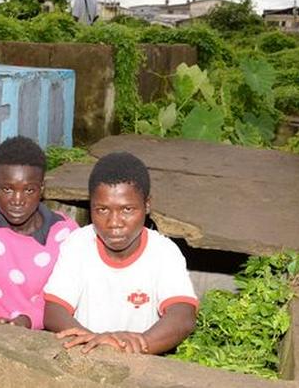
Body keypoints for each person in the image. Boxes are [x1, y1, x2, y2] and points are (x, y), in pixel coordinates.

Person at [43, 152, 197, 354]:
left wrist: (139, 344)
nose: (114, 223)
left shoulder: (164, 252)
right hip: (84, 355)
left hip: (143, 359)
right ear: (90, 206)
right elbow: (54, 311)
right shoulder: (78, 244)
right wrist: (95, 341)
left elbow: (183, 315)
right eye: (102, 210)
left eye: (127, 209)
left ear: (147, 205)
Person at [0, 136, 79, 329]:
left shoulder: (64, 232)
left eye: (29, 190)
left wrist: (27, 321)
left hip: (38, 337)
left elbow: (61, 297)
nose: (17, 200)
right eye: (7, 189)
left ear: (42, 189)